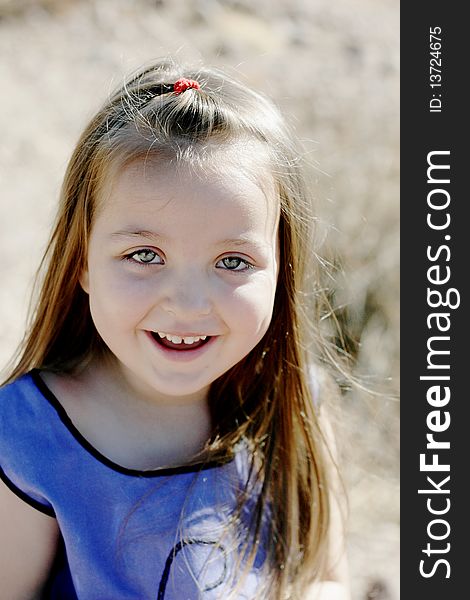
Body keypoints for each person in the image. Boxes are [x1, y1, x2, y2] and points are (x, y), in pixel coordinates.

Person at [0, 59, 350, 599]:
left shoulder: (295, 405)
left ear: (283, 271)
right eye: (145, 254)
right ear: (82, 263)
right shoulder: (29, 435)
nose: (188, 304)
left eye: (233, 261)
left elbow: (326, 579)